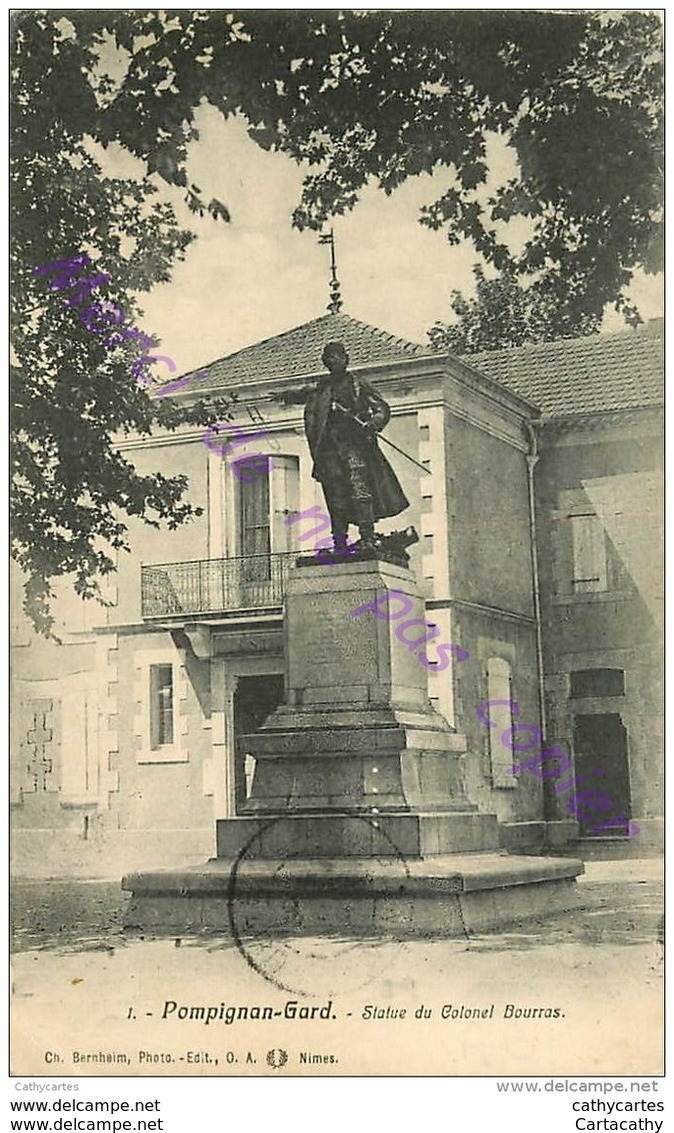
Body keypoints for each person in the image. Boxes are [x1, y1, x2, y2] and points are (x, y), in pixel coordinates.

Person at [275, 341, 409, 552]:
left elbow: (381, 408)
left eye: (337, 357)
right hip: (329, 451)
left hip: (354, 446)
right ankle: (339, 541)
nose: (333, 361)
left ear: (346, 359)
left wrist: (372, 424)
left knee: (359, 489)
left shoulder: (358, 384)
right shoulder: (322, 387)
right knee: (335, 495)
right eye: (329, 358)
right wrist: (285, 396)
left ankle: (367, 537)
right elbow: (303, 394)